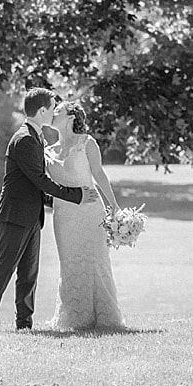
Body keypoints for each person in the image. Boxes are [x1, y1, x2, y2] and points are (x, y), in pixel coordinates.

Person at [0, 88, 101, 331]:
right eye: (53, 106)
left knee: (29, 274)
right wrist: (74, 195)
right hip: (14, 216)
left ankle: (24, 324)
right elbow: (40, 180)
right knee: (4, 269)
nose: (55, 111)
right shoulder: (24, 139)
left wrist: (59, 201)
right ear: (42, 110)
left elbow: (34, 185)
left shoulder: (35, 136)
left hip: (31, 216)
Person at [44, 99, 125, 331]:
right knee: (69, 262)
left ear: (70, 117)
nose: (52, 114)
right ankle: (73, 317)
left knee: (95, 260)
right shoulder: (47, 151)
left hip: (91, 212)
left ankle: (105, 316)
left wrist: (114, 206)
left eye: (57, 111)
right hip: (63, 214)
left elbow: (99, 174)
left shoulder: (86, 143)